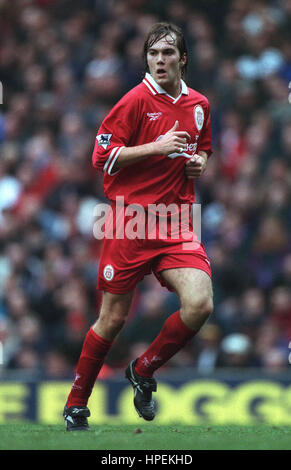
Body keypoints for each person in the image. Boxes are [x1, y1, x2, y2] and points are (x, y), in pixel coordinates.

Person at [63, 22, 214, 431]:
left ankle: (143, 370)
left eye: (167, 53)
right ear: (146, 59)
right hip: (129, 221)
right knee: (112, 319)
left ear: (182, 58)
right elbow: (101, 156)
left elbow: (201, 150)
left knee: (200, 304)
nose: (160, 60)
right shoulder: (133, 101)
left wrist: (200, 163)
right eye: (153, 54)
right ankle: (77, 404)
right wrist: (157, 146)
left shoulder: (199, 104)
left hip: (177, 222)